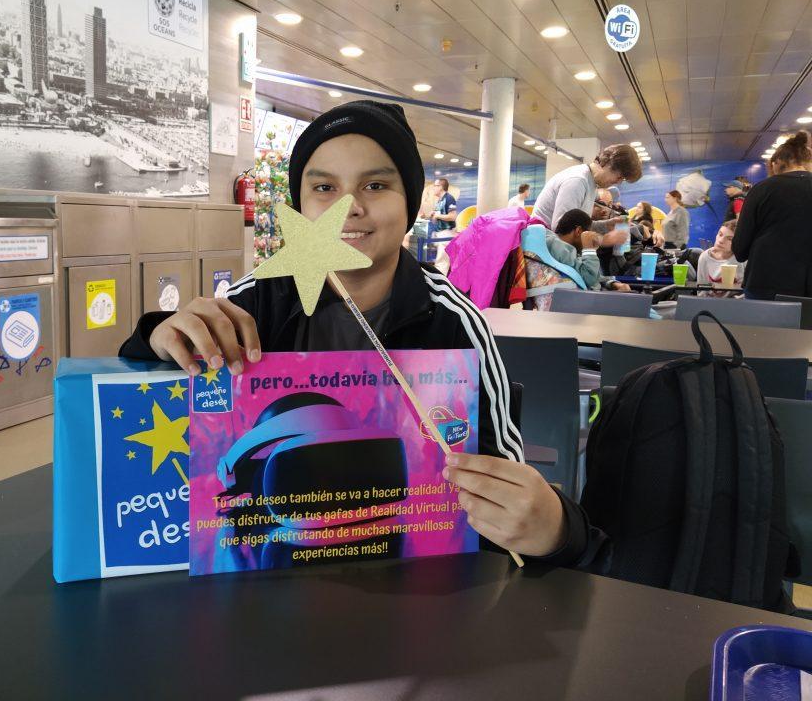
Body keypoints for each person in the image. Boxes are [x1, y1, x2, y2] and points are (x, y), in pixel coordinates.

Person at [120, 99, 598, 564]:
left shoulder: (452, 322)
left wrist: (551, 528)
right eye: (324, 187)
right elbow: (137, 411)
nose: (348, 208)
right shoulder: (253, 303)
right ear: (299, 205)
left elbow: (506, 490)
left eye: (375, 185)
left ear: (410, 202)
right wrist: (157, 338)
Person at [733, 130, 812, 300]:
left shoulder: (761, 189)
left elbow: (740, 249)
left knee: (762, 320)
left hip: (765, 284)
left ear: (777, 162)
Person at [531, 144, 642, 249]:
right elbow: (563, 233)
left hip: (553, 246)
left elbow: (577, 226)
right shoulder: (577, 181)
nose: (618, 182)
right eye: (619, 177)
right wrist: (603, 240)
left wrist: (606, 226)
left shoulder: (590, 182)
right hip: (544, 250)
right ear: (606, 163)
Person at [546, 209, 632, 292]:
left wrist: (612, 283)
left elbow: (593, 275)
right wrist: (589, 249)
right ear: (578, 231)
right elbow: (590, 278)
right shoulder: (558, 247)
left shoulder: (566, 249)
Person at [696, 220, 744, 287]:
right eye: (720, 234)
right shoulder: (705, 257)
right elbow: (701, 289)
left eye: (729, 239)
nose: (721, 241)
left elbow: (745, 290)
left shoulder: (742, 260)